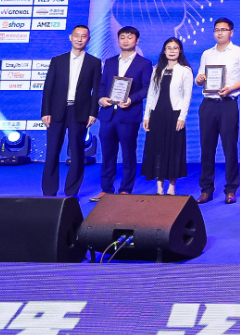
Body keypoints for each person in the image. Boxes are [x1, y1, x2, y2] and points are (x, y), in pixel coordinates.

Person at [193, 18, 240, 205]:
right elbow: (199, 79)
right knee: (206, 148)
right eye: (216, 30)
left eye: (223, 29)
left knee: (229, 147)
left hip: (228, 103)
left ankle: (231, 189)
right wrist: (200, 79)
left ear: (231, 32)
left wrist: (231, 88)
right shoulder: (207, 54)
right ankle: (206, 190)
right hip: (208, 104)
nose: (219, 33)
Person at [91, 26, 152, 202]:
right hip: (108, 114)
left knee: (128, 153)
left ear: (137, 40)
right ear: (118, 40)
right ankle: (106, 189)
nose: (126, 40)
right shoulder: (109, 62)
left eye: (129, 37)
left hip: (129, 115)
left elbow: (147, 88)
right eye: (122, 37)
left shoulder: (144, 63)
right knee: (107, 154)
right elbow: (102, 84)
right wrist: (101, 98)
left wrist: (131, 99)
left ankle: (126, 189)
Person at [40, 25, 102, 197]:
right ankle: (49, 192)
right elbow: (48, 88)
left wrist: (93, 112)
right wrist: (45, 111)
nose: (79, 39)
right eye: (77, 35)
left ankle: (71, 191)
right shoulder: (57, 60)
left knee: (77, 152)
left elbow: (96, 90)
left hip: (80, 111)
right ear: (70, 37)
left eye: (83, 36)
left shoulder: (94, 62)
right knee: (52, 151)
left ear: (88, 39)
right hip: (56, 111)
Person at [143, 38, 193, 194]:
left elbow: (187, 96)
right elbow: (151, 94)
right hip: (157, 114)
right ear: (164, 51)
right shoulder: (157, 69)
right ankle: (159, 188)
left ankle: (171, 187)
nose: (172, 50)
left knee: (173, 149)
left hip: (174, 115)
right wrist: (147, 116)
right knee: (157, 149)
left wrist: (182, 117)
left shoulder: (185, 70)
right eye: (169, 48)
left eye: (175, 48)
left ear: (180, 51)